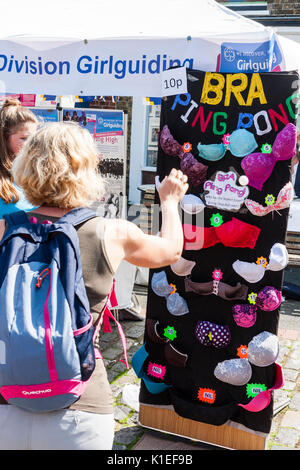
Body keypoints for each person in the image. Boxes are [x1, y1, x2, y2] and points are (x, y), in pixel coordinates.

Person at [0, 122, 188, 451]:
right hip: (81, 405)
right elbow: (170, 251)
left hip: (6, 398)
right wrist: (169, 202)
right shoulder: (110, 232)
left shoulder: (4, 228)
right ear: (86, 169)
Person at [0, 98, 38, 216]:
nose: (32, 144)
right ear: (5, 138)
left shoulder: (35, 171)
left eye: (34, 138)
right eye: (24, 138)